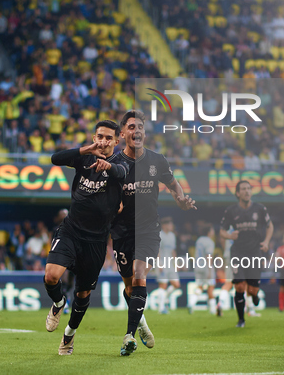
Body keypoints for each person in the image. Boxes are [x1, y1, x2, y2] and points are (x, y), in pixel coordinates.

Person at [110, 110, 196, 356]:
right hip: (121, 231)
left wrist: (180, 199)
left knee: (139, 276)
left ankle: (128, 335)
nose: (136, 131)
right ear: (124, 132)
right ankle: (142, 324)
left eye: (140, 127)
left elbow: (172, 183)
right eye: (131, 127)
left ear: (144, 133)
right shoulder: (115, 164)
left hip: (148, 230)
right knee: (129, 286)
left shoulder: (157, 160)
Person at [43, 120, 128, 356]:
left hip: (97, 239)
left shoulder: (122, 162)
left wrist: (108, 168)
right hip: (71, 230)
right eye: (99, 136)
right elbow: (55, 159)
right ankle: (59, 303)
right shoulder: (84, 157)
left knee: (82, 293)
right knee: (51, 276)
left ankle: (68, 337)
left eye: (108, 138)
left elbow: (122, 173)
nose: (103, 141)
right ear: (94, 137)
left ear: (116, 141)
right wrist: (86, 150)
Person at [220, 180, 274, 328]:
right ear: (238, 193)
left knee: (252, 290)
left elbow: (270, 226)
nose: (247, 191)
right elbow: (222, 231)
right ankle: (241, 320)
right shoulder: (231, 211)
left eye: (249, 188)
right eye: (243, 189)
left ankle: (255, 295)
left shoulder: (260, 209)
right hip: (238, 252)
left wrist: (267, 241)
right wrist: (230, 236)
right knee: (239, 287)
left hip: (255, 252)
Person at [189, 223, 217, 315]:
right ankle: (213, 309)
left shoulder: (199, 240)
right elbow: (208, 255)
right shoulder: (210, 242)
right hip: (206, 266)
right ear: (209, 231)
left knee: (200, 286)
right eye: (212, 230)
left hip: (198, 266)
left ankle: (191, 303)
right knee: (210, 286)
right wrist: (209, 269)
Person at [155, 217, 180, 314]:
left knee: (176, 284)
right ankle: (161, 308)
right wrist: (159, 263)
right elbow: (157, 250)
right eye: (170, 224)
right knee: (163, 285)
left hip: (170, 264)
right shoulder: (159, 235)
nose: (171, 226)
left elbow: (173, 250)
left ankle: (164, 300)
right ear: (165, 225)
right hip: (162, 262)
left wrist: (176, 262)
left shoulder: (172, 236)